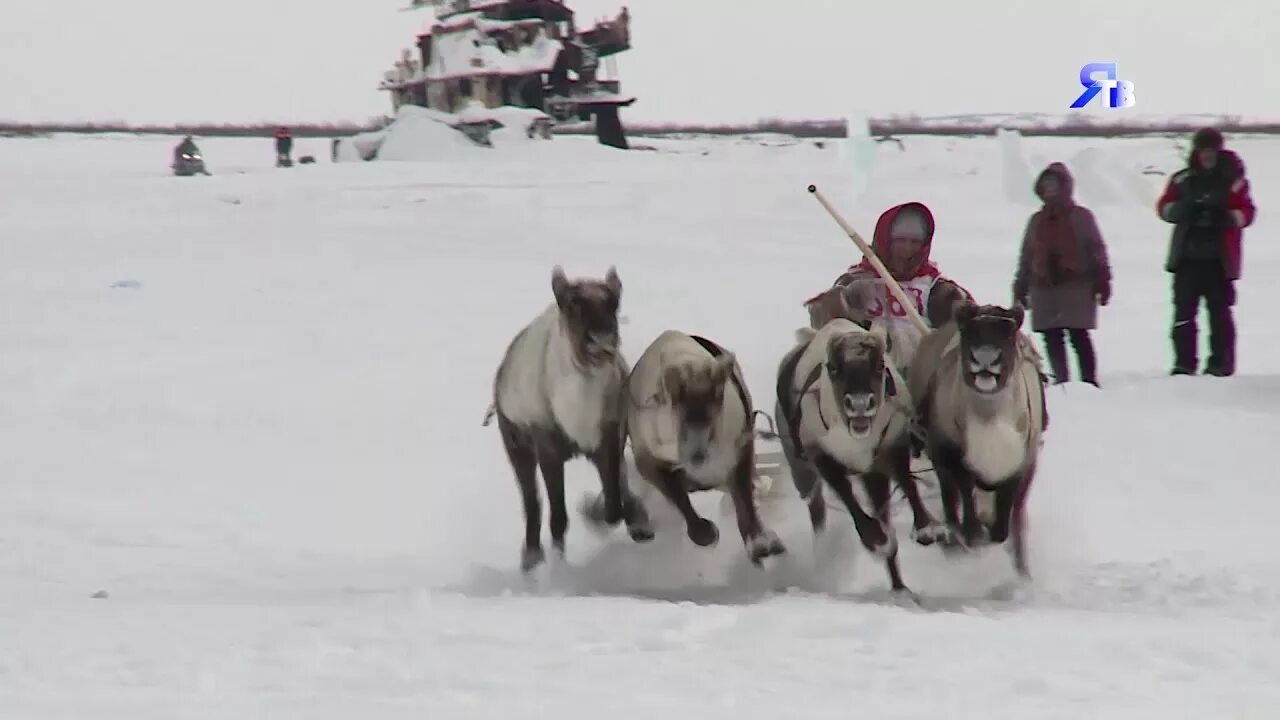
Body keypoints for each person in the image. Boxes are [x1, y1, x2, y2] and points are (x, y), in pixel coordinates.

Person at [803, 202, 973, 373]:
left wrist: (960, 309)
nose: (907, 249)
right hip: (864, 375)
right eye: (900, 241)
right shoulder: (856, 280)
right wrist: (838, 303)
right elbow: (822, 317)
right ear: (885, 241)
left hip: (921, 376)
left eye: (914, 242)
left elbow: (965, 315)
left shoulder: (934, 286)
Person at [1155, 127, 1256, 376]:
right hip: (1186, 258)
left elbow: (1248, 211)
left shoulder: (1234, 181)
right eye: (1203, 150)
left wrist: (1226, 218)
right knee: (1183, 313)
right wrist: (1180, 211)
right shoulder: (1182, 179)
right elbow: (1163, 206)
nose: (1207, 155)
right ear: (1196, 151)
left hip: (1219, 260)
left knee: (1220, 314)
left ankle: (1221, 363)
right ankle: (1183, 363)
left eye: (1211, 150)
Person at [1011, 162, 1112, 387]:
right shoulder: (1036, 221)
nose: (1050, 189)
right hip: (1043, 287)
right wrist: (1020, 286)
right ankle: (1062, 381)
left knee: (1079, 336)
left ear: (1065, 186)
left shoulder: (1082, 217)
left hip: (1076, 287)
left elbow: (1097, 250)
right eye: (1046, 185)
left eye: (1054, 184)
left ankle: (1089, 382)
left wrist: (1103, 279)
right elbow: (1026, 256)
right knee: (1052, 336)